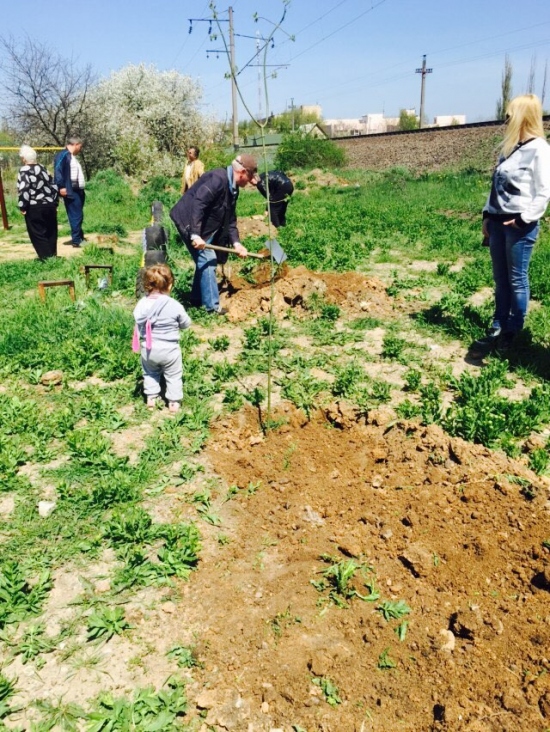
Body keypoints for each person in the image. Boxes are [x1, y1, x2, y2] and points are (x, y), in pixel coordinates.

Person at [470, 94, 550, 358]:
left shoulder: (539, 149)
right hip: (496, 223)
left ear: (523, 116)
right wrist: (486, 215)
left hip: (518, 226)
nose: (506, 119)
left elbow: (544, 191)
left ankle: (513, 330)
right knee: (500, 279)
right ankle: (498, 323)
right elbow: (496, 186)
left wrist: (524, 219)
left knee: (516, 279)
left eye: (509, 115)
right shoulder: (508, 149)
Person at [170, 154, 259, 315]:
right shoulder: (218, 179)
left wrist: (237, 243)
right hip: (187, 220)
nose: (250, 181)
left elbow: (230, 218)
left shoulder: (233, 188)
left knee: (203, 259)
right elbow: (198, 203)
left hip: (205, 226)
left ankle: (196, 299)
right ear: (243, 172)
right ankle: (211, 308)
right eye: (250, 176)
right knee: (208, 258)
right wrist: (195, 235)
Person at [132, 264, 192, 413]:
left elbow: (138, 320)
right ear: (170, 285)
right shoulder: (174, 305)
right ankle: (173, 403)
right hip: (170, 349)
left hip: (149, 349)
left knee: (150, 373)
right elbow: (186, 324)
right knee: (173, 375)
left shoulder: (142, 304)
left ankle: (151, 399)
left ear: (146, 285)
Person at [17, 145, 59, 260]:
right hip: (49, 205)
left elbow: (24, 189)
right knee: (51, 231)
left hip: (34, 206)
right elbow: (54, 186)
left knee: (37, 233)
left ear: (23, 158)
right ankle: (53, 255)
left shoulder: (24, 170)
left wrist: (22, 206)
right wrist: (55, 203)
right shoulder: (43, 168)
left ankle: (46, 258)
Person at [54, 135, 86, 247]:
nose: (80, 149)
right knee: (75, 215)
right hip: (71, 190)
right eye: (80, 147)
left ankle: (79, 237)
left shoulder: (71, 157)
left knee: (78, 214)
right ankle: (76, 241)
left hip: (78, 190)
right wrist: (61, 186)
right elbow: (57, 170)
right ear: (76, 145)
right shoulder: (63, 155)